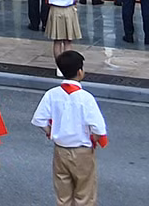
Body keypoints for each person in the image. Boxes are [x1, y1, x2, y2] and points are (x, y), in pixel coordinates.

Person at [32, 50, 107, 206]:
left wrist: (51, 132)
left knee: (63, 196)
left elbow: (39, 119)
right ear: (80, 72)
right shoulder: (85, 98)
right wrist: (94, 139)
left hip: (60, 150)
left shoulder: (52, 94)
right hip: (82, 151)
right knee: (85, 195)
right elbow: (99, 128)